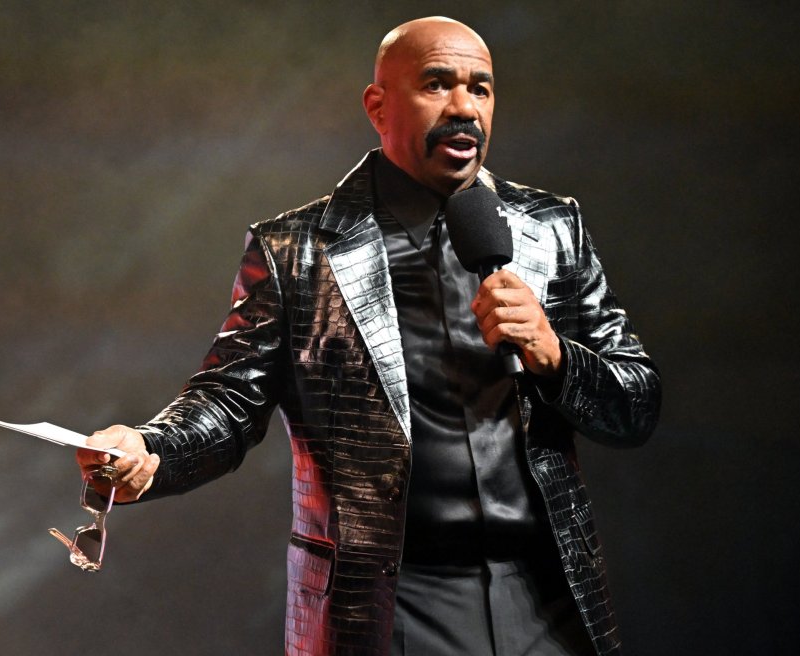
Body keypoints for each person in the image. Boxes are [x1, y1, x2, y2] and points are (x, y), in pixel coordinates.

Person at [77, 16, 660, 656]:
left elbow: (635, 403)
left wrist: (555, 359)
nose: (465, 107)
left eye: (482, 88)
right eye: (437, 84)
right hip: (392, 605)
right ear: (377, 107)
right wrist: (151, 446)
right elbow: (229, 401)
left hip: (546, 601)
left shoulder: (551, 227)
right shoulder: (296, 251)